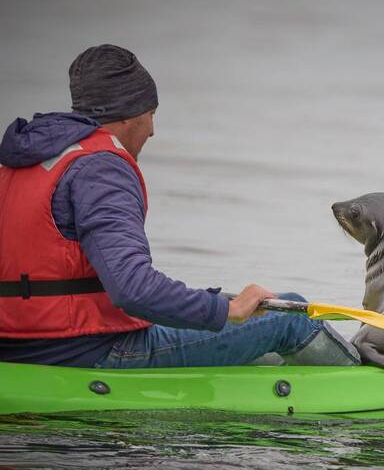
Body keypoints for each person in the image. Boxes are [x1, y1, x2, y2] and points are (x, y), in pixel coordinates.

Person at [0, 44, 359, 369]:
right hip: (85, 350)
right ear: (128, 115)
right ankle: (376, 390)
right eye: (150, 113)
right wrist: (226, 309)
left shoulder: (23, 161)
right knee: (289, 315)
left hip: (17, 344)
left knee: (252, 336)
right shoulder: (101, 168)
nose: (152, 130)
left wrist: (209, 303)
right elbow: (132, 289)